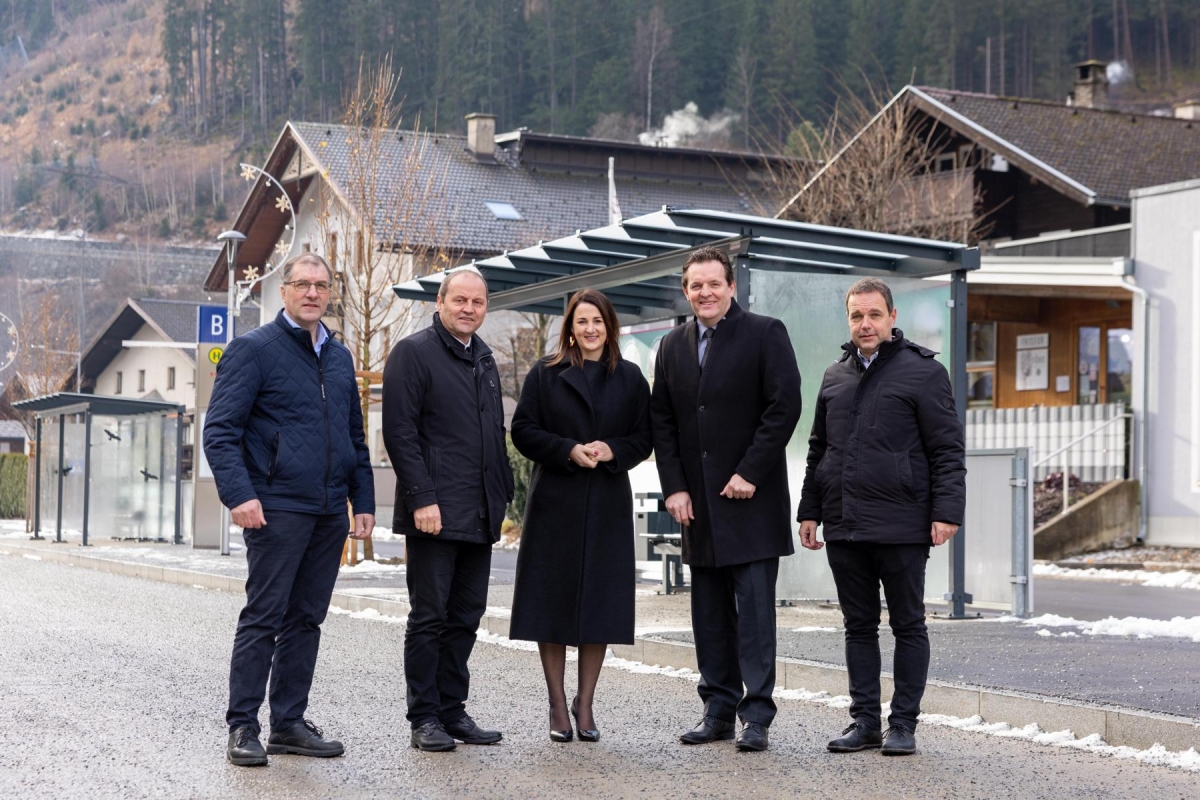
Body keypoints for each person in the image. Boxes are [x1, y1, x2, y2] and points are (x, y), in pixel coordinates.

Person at [204, 252, 375, 767]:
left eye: (321, 286)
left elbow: (353, 438)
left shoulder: (340, 357)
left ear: (329, 294)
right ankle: (242, 727)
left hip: (327, 510)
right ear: (284, 291)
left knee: (307, 618)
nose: (312, 293)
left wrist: (361, 500)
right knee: (264, 616)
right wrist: (239, 495)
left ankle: (289, 723)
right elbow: (220, 432)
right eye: (302, 284)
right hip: (274, 506)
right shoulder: (252, 350)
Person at [797, 277, 966, 757]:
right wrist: (810, 510)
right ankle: (865, 722)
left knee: (908, 624)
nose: (865, 324)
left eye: (873, 314)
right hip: (845, 523)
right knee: (858, 626)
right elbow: (818, 451)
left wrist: (946, 511)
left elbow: (947, 450)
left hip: (903, 523)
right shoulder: (835, 375)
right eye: (856, 316)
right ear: (848, 320)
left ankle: (903, 725)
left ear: (892, 317)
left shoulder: (924, 373)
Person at [649, 246, 802, 752]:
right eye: (696, 285)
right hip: (698, 506)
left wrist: (749, 472)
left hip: (750, 500)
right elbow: (663, 423)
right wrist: (673, 486)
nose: (705, 292)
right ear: (685, 290)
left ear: (731, 286)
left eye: (714, 283)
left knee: (755, 617)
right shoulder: (671, 345)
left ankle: (755, 715)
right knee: (709, 615)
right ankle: (717, 708)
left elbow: (784, 407)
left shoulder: (765, 333)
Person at [509, 289, 652, 743]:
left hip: (607, 501)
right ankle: (556, 703)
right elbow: (523, 430)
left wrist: (614, 450)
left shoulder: (630, 378)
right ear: (570, 326)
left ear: (610, 326)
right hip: (556, 501)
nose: (590, 329)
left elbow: (645, 436)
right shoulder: (545, 374)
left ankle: (584, 702)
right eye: (581, 321)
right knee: (549, 603)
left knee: (600, 605)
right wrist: (567, 449)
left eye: (598, 321)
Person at [382, 268, 514, 752]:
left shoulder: (483, 357)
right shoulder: (413, 353)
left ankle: (453, 710)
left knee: (466, 616)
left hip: (478, 511)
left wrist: (501, 494)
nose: (468, 309)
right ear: (440, 302)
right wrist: (422, 497)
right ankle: (424, 718)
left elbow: (491, 434)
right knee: (430, 616)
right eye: (459, 299)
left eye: (477, 302)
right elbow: (399, 432)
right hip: (434, 512)